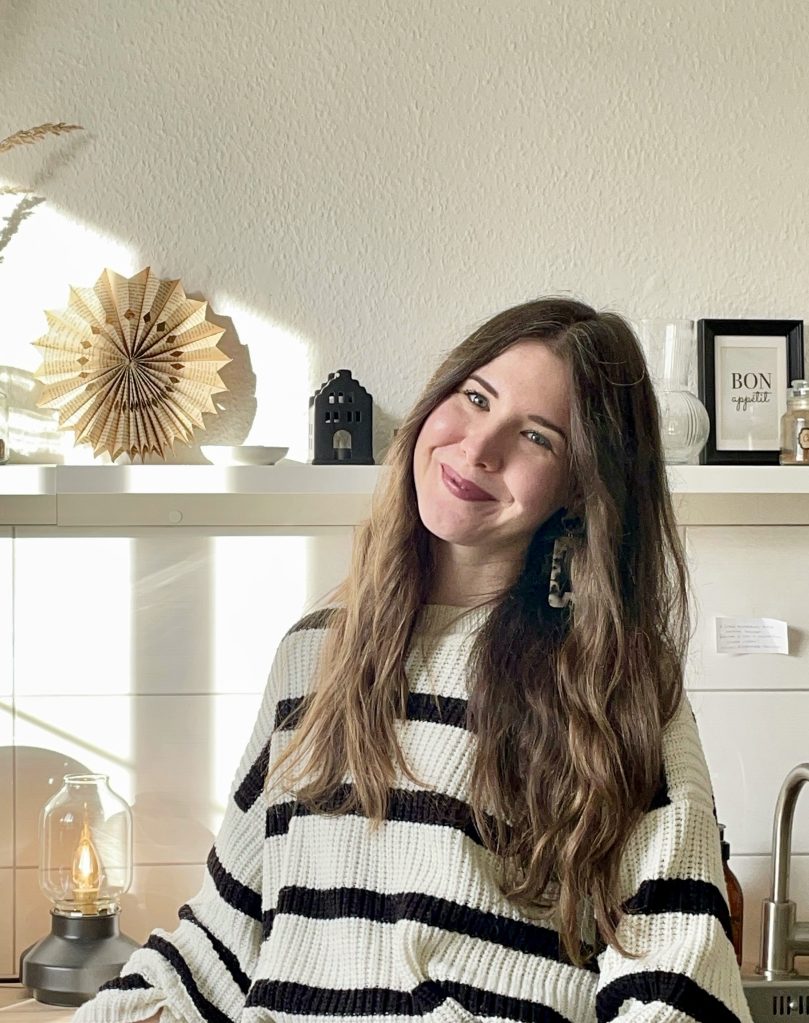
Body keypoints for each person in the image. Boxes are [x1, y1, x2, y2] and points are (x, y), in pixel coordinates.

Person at [74, 297, 753, 1023]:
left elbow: (677, 981)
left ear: (583, 489)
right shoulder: (313, 654)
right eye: (476, 397)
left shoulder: (615, 680)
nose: (479, 447)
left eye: (536, 436)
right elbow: (217, 947)